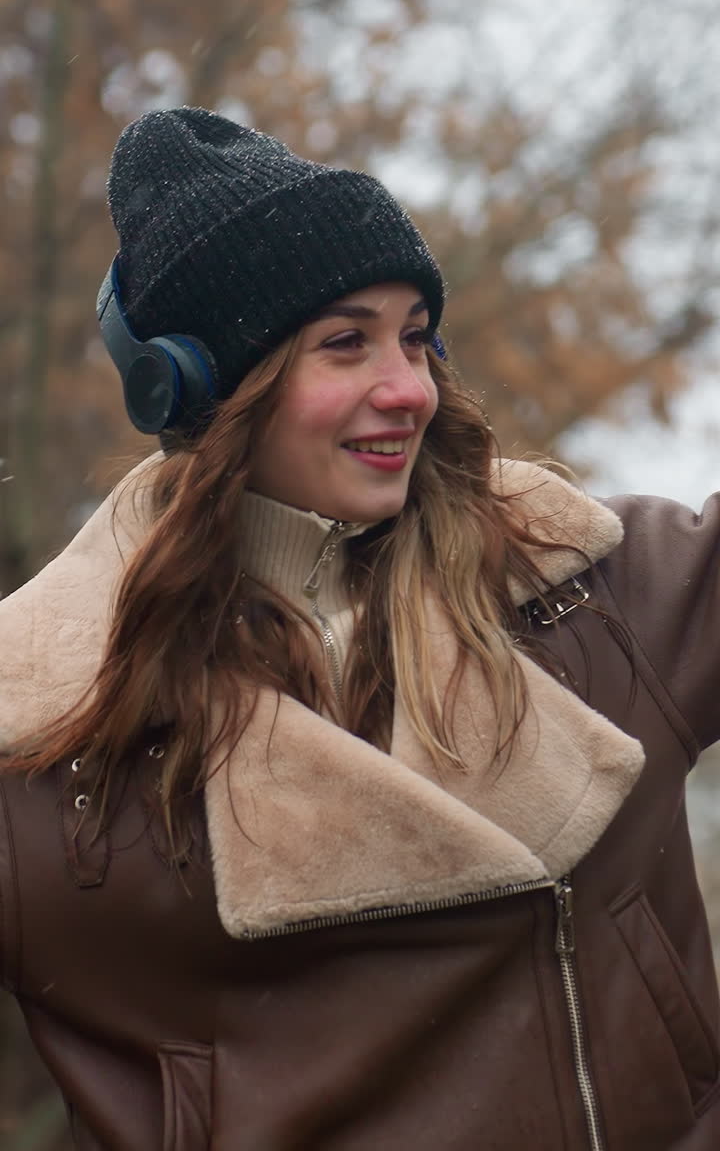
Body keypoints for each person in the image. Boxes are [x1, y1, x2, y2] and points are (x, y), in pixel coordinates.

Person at [0, 106, 717, 1151]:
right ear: (201, 386)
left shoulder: (593, 589)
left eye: (416, 337)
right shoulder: (52, 731)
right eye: (347, 343)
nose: (409, 388)